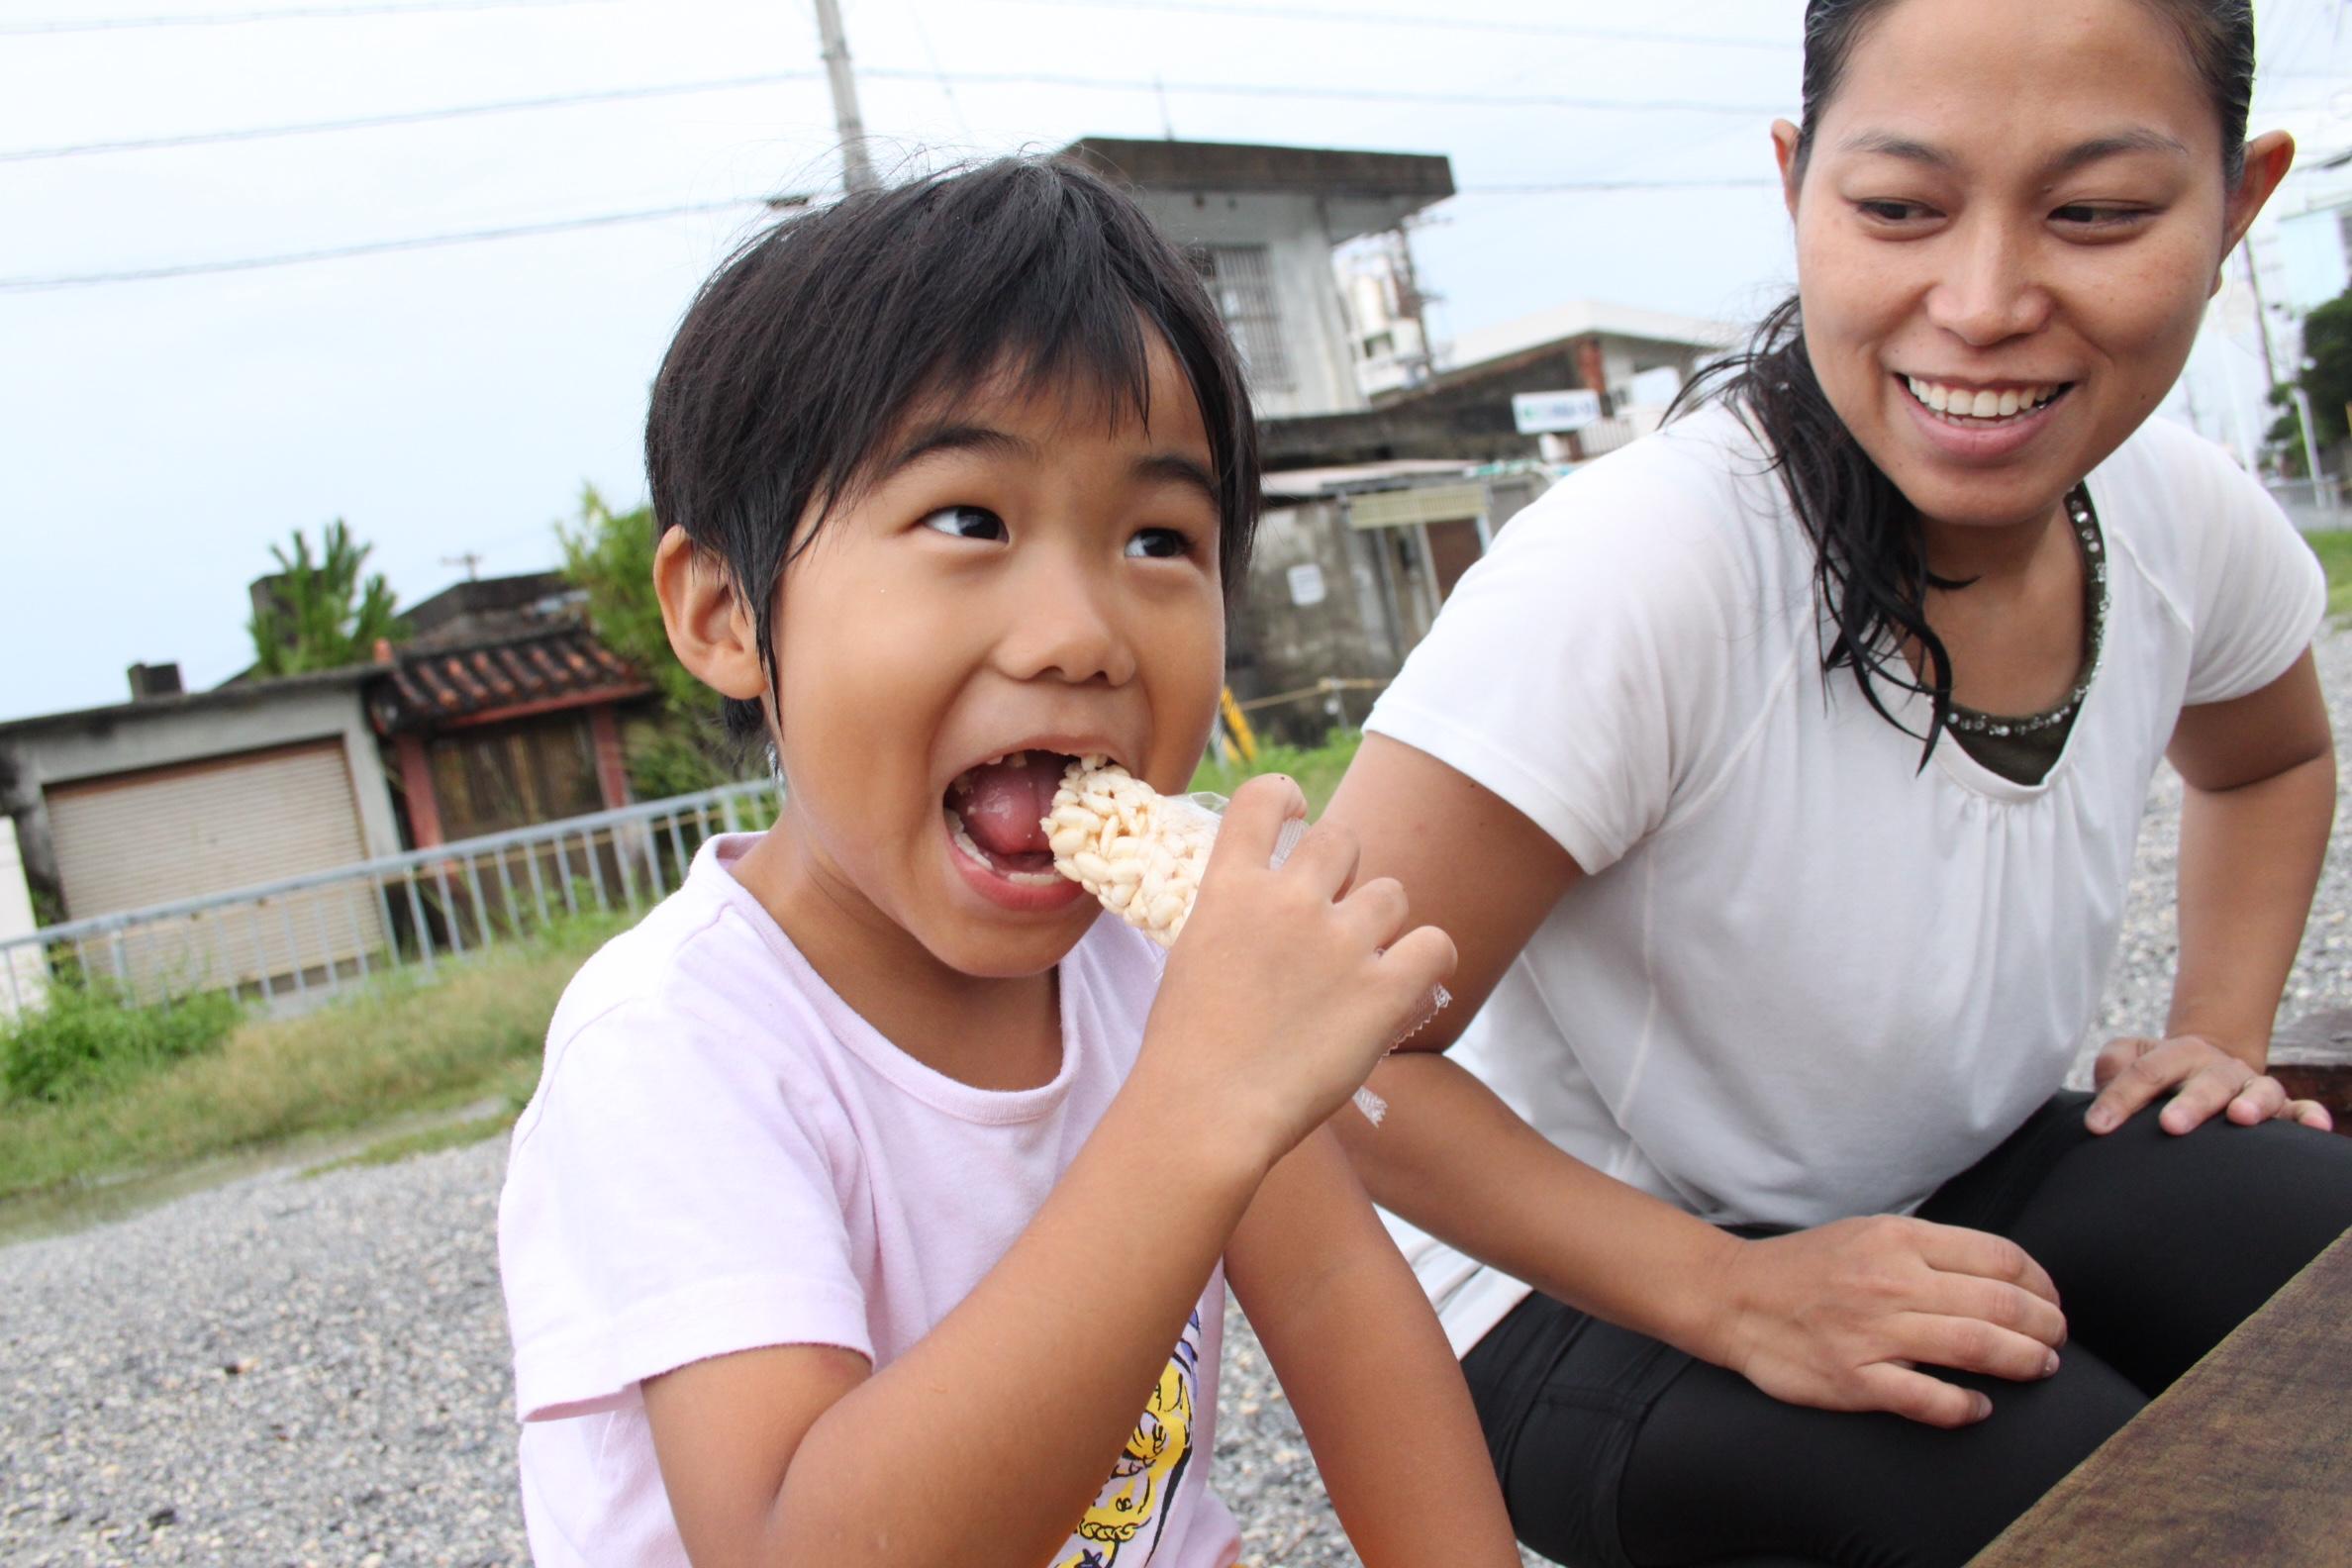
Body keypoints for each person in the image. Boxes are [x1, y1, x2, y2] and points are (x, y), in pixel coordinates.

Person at [1322, 3, 2352, 1565]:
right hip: (1577, 1285)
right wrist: (1727, 1291)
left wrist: (2218, 1028)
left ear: (2238, 207)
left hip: (1960, 1174)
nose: (1987, 301)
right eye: (1899, 209)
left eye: (2097, 213)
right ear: (1799, 188)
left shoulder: (2175, 510)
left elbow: (2270, 752)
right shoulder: (1642, 571)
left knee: (2316, 1276)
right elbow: (1310, 1053)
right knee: (2091, 1495)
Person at [494, 158, 1519, 1568]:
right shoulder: (677, 1048)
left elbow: (1344, 1298)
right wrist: (1199, 1105)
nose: (1080, 631)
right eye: (970, 519)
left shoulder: (1161, 959)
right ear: (729, 613)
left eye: (1160, 538)